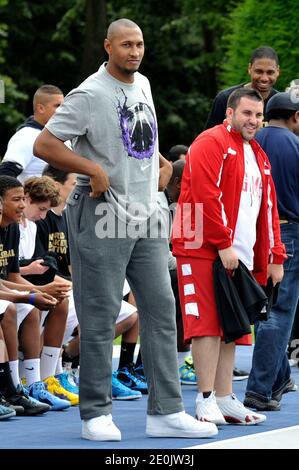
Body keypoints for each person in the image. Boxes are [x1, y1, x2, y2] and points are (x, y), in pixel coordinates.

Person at [33, 18, 218, 441]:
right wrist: (90, 168)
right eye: (126, 45)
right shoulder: (89, 92)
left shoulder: (145, 84)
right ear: (108, 46)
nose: (134, 52)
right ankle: (95, 413)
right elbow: (46, 144)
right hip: (100, 213)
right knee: (99, 318)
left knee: (161, 312)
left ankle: (166, 411)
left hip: (147, 213)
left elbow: (140, 139)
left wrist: (162, 163)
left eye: (139, 44)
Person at [172, 87, 286, 425]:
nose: (253, 120)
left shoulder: (258, 154)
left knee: (233, 326)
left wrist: (275, 255)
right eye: (247, 113)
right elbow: (205, 195)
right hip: (201, 249)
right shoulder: (210, 142)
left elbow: (269, 207)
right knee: (206, 324)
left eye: (258, 114)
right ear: (230, 113)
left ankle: (224, 397)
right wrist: (223, 244)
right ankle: (205, 397)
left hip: (239, 254)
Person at [244, 91, 299, 411]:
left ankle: (277, 378)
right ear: (294, 117)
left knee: (263, 309)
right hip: (287, 230)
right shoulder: (294, 146)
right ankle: (261, 388)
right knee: (278, 313)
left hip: (251, 232)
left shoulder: (250, 141)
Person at [0, 85, 64, 183]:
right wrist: (21, 197)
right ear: (41, 108)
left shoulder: (62, 135)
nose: (63, 110)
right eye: (58, 106)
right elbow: (5, 174)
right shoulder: (26, 136)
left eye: (64, 106)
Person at [205, 46, 280, 129]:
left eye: (270, 72)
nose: (264, 78)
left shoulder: (281, 104)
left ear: (278, 71)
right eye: (259, 71)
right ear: (249, 68)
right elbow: (209, 138)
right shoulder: (225, 99)